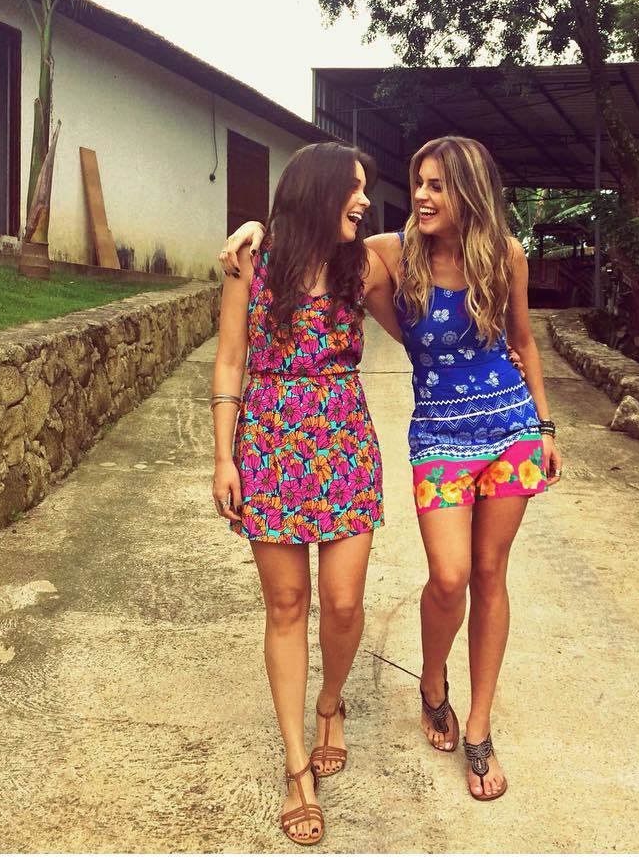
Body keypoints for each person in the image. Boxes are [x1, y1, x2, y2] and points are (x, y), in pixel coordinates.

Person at [220, 135, 561, 803]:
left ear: (469, 193)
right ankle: (414, 692)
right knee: (447, 576)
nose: (417, 197)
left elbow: (511, 338)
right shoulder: (383, 255)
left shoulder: (492, 257)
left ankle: (472, 726)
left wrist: (543, 424)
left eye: (436, 185)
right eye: (418, 183)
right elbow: (305, 245)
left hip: (497, 428)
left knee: (481, 575)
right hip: (410, 436)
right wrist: (254, 226)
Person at [212, 141, 401, 845]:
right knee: (287, 605)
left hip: (344, 441)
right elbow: (230, 360)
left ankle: (330, 703)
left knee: (344, 602)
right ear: (315, 191)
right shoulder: (251, 263)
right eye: (352, 187)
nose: (364, 200)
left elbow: (429, 245)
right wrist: (222, 458)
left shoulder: (363, 264)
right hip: (268, 443)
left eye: (365, 188)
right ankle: (297, 768)